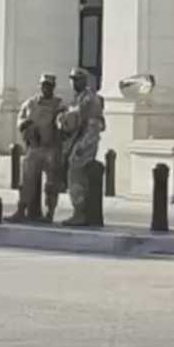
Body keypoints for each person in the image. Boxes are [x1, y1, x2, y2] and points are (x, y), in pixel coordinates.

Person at [56, 67, 105, 227]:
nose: (74, 82)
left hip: (86, 141)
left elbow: (86, 122)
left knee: (76, 173)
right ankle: (80, 210)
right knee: (73, 173)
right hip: (77, 139)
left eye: (77, 79)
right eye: (72, 79)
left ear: (84, 81)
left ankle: (81, 212)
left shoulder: (89, 99)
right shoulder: (77, 98)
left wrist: (83, 146)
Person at [12, 74, 63, 223]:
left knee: (51, 184)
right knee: (26, 181)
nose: (45, 88)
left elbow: (64, 123)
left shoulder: (59, 105)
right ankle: (21, 209)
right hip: (34, 147)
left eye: (49, 85)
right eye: (43, 85)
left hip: (51, 148)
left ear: (53, 87)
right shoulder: (30, 103)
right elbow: (20, 120)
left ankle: (49, 213)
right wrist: (25, 126)